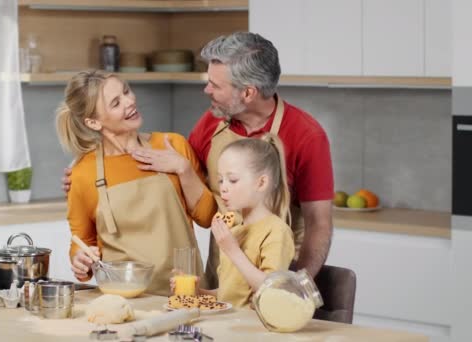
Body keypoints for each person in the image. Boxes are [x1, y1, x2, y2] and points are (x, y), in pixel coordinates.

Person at [63, 32, 334, 285]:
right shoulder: (210, 125)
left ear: (248, 93)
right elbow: (192, 193)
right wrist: (83, 178)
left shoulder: (306, 136)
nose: (206, 91)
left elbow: (319, 223)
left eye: (215, 85)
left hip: (278, 276)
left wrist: (299, 284)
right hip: (221, 277)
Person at [55, 70, 216, 296]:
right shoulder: (82, 173)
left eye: (126, 91)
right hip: (124, 299)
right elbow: (82, 242)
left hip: (184, 294)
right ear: (93, 122)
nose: (130, 101)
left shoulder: (172, 145)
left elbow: (208, 218)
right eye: (116, 102)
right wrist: (80, 261)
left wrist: (183, 168)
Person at [173, 135, 295, 307]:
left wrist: (232, 250)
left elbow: (271, 290)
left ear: (261, 183)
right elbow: (230, 295)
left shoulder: (276, 231)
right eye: (221, 180)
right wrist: (199, 293)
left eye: (233, 180)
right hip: (229, 324)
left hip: (253, 330)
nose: (223, 187)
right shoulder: (236, 231)